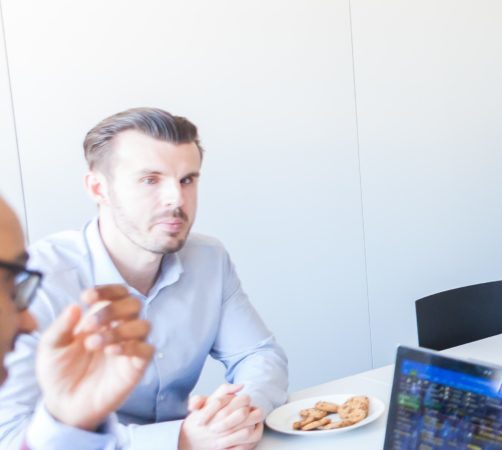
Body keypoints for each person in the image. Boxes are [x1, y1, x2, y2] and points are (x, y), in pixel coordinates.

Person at [0, 108, 289, 449]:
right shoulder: (34, 282)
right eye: (150, 180)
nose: (176, 199)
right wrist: (178, 439)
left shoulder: (209, 259)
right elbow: (10, 435)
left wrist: (238, 411)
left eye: (187, 180)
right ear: (98, 187)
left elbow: (259, 355)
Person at [1, 195, 156, 449]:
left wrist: (68, 421)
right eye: (10, 285)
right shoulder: (55, 271)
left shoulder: (211, 258)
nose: (29, 322)